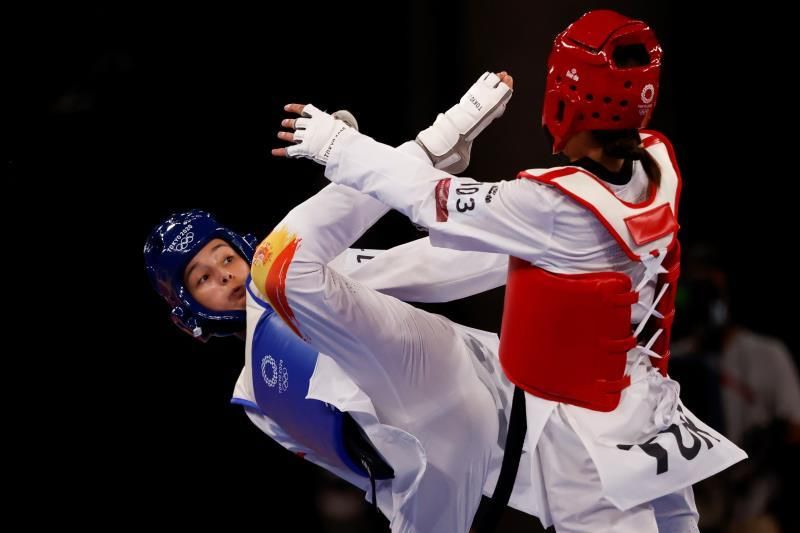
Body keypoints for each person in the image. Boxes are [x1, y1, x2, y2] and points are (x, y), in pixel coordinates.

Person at [273, 9, 747, 532]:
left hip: (590, 437)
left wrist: (338, 146)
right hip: (651, 407)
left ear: (565, 98)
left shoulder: (551, 206)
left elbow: (430, 199)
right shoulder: (658, 161)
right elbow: (466, 250)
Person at [145, 81, 549, 533]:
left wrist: (526, 246)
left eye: (224, 257)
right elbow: (369, 472)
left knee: (276, 270)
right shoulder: (258, 397)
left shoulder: (302, 279)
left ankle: (420, 148)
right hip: (447, 464)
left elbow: (423, 267)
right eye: (202, 278)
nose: (222, 274)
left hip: (491, 377)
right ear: (187, 318)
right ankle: (403, 152)